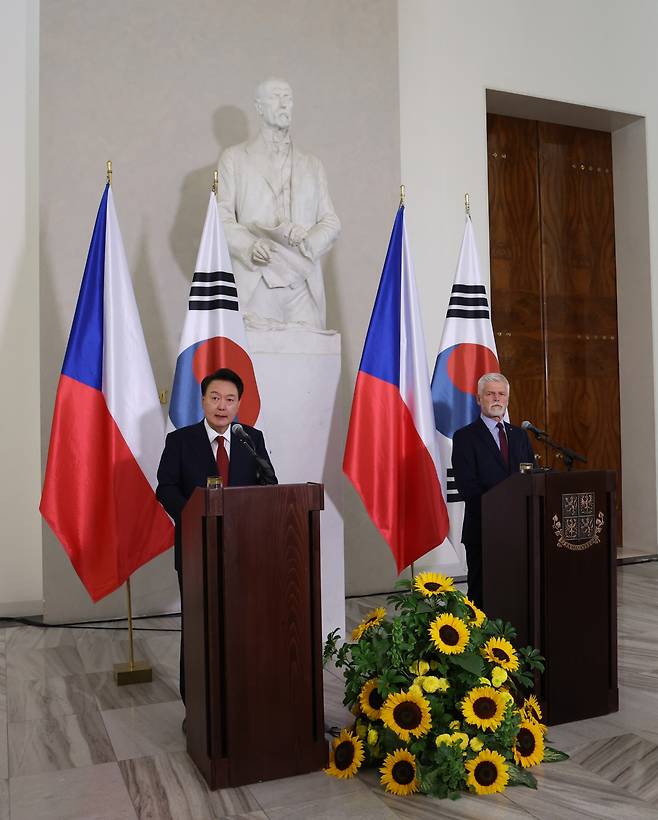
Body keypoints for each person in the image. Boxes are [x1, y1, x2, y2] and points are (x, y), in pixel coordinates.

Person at [156, 368, 277, 707]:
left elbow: (269, 485)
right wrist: (194, 516)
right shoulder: (180, 441)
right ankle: (194, 706)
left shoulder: (251, 438)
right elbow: (164, 487)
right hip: (197, 549)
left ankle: (239, 700)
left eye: (229, 399)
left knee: (242, 626)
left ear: (238, 404)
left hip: (244, 550)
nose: (222, 406)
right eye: (214, 398)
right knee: (198, 631)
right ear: (202, 401)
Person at [217, 77, 340, 329]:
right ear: (259, 107)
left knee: (311, 362)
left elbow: (330, 221)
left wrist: (307, 240)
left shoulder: (312, 165)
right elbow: (221, 217)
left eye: (288, 98)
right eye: (276, 96)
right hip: (258, 279)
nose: (284, 104)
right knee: (258, 362)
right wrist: (250, 245)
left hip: (303, 283)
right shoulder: (234, 159)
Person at [451, 372, 534, 608]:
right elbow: (467, 486)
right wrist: (501, 512)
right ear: (479, 399)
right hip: (483, 530)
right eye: (490, 394)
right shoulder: (465, 437)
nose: (496, 399)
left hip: (519, 532)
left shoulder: (520, 436)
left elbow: (530, 478)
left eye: (501, 394)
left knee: (517, 592)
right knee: (482, 595)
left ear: (507, 399)